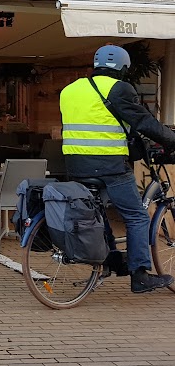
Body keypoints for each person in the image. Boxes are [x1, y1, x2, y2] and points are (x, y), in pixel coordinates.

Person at [60, 45, 175, 293]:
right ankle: (140, 275)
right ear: (123, 68)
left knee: (98, 214)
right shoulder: (119, 88)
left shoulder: (69, 90)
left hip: (76, 165)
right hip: (110, 166)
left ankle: (111, 258)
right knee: (136, 216)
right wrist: (171, 139)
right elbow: (144, 121)